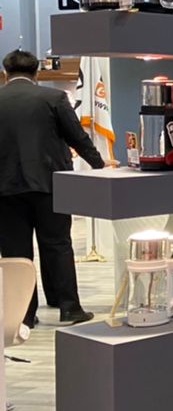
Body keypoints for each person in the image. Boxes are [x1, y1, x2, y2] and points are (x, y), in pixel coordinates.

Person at [0, 49, 104, 328]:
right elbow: (78, 138)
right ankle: (69, 307)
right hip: (50, 186)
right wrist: (100, 165)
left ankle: (24, 315)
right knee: (57, 245)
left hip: (5, 190)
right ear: (36, 74)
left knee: (15, 253)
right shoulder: (54, 98)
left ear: (6, 73)